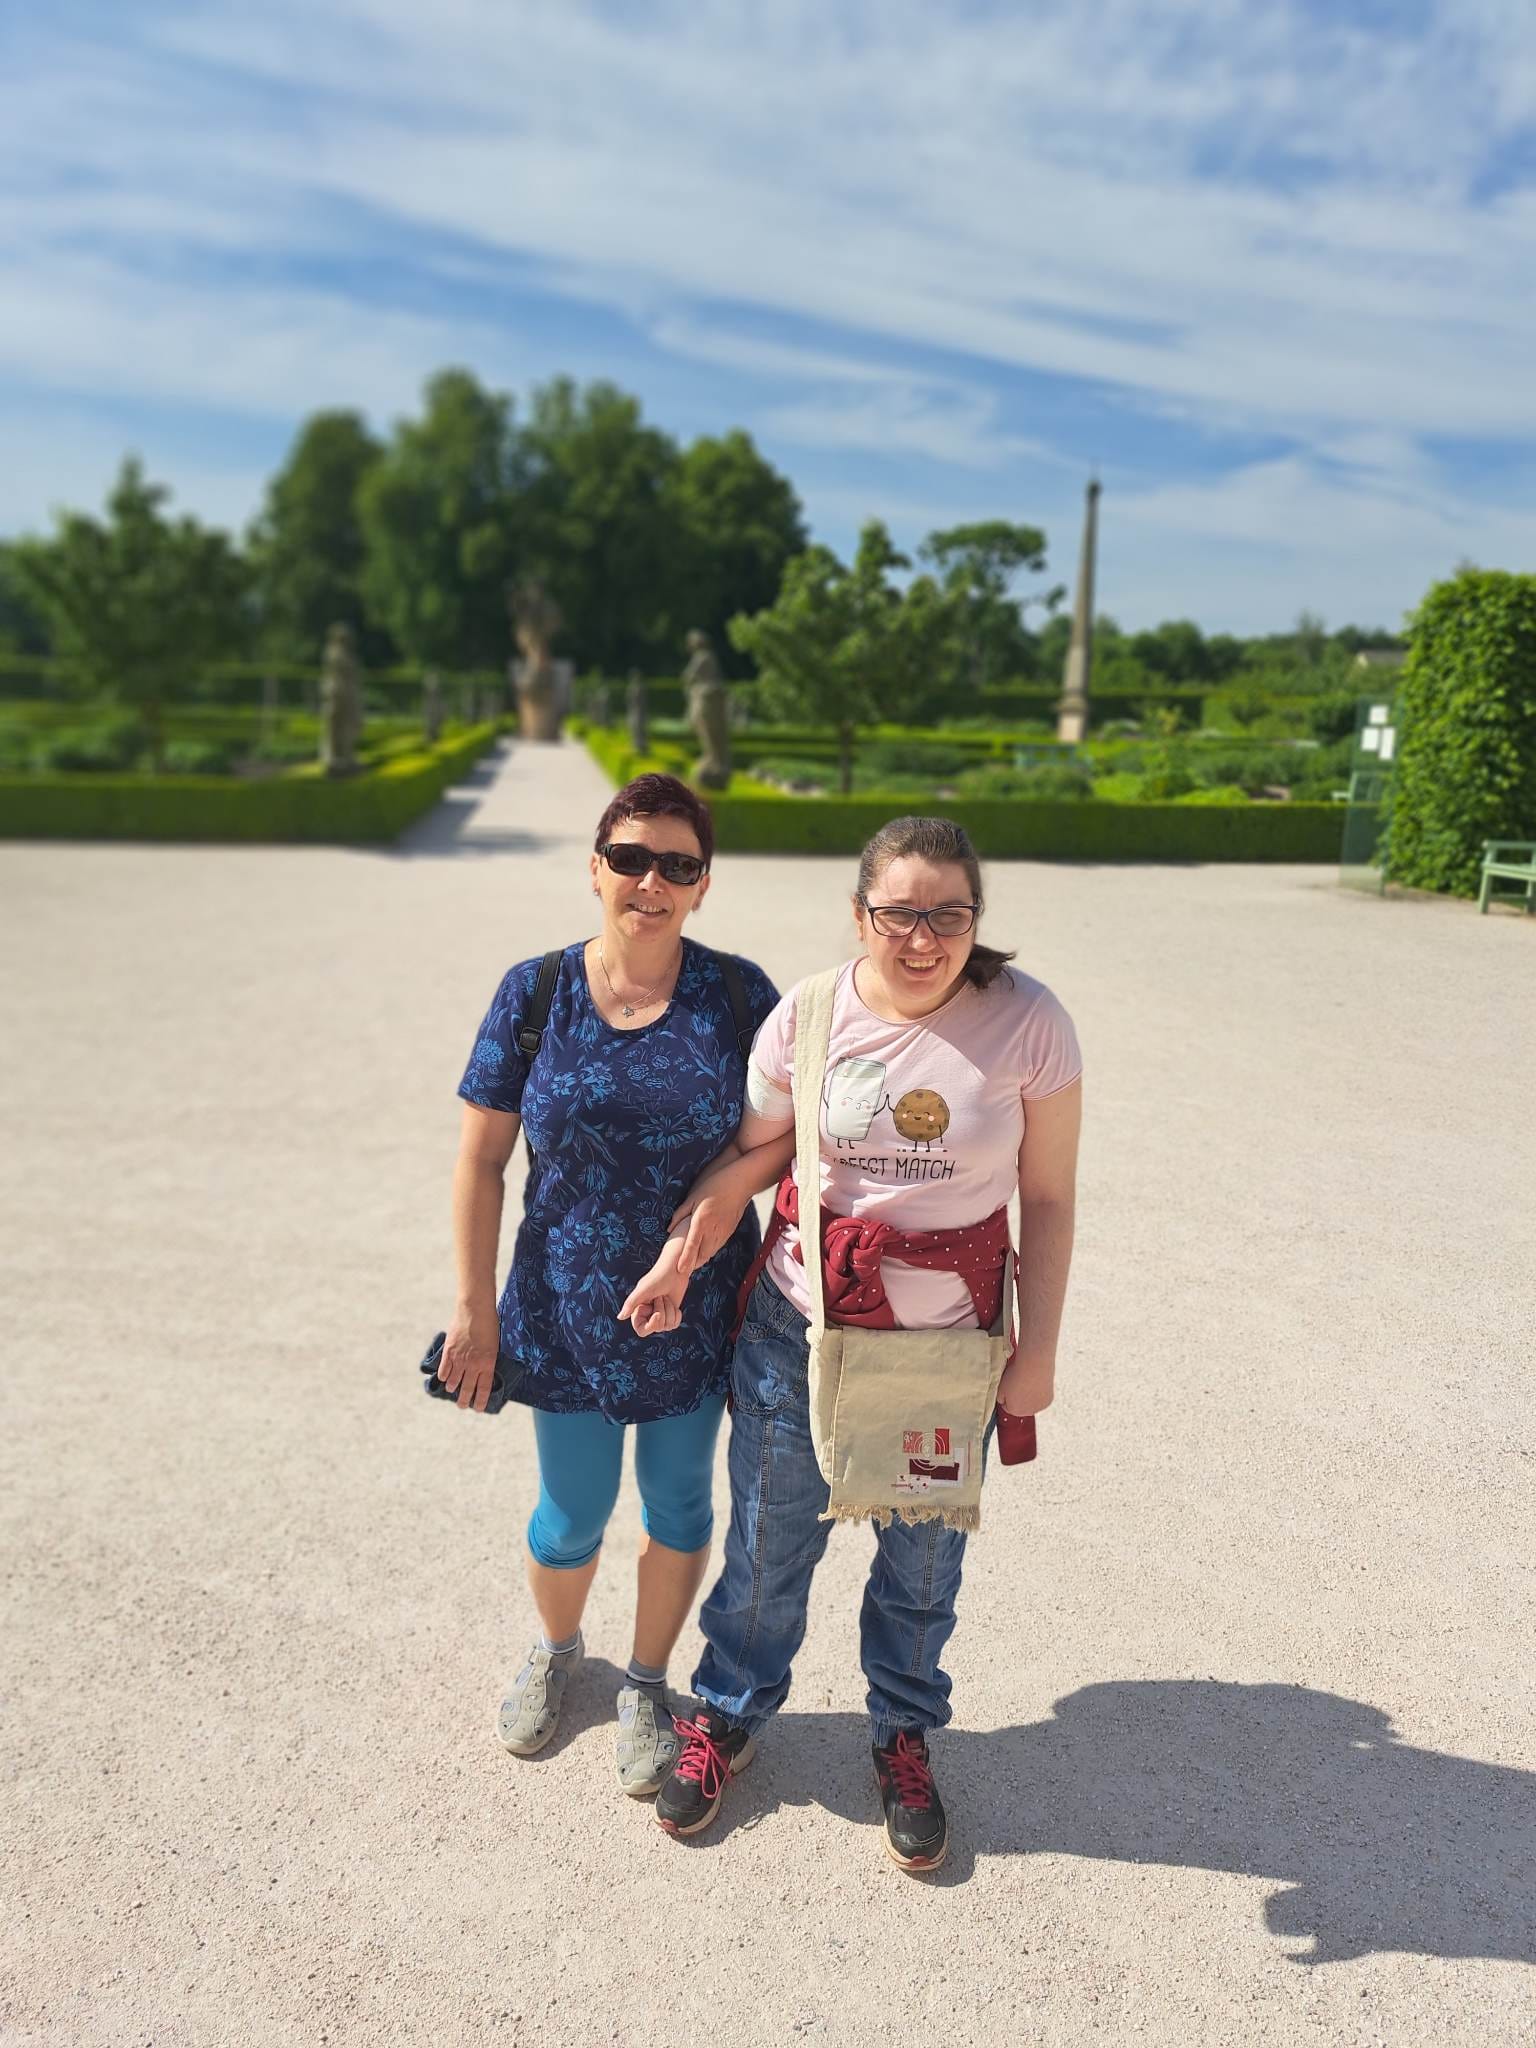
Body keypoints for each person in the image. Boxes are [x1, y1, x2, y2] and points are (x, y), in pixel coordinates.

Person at [618, 815, 1082, 1871]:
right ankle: (730, 1708)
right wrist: (682, 1251)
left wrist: (1039, 1353)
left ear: (977, 917)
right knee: (769, 1541)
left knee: (923, 1557)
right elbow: (756, 1155)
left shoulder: (1030, 1021)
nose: (923, 938)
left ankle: (902, 1732)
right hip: (803, 1329)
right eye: (898, 913)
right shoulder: (809, 1015)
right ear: (860, 912)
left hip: (947, 1351)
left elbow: (1050, 1198)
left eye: (949, 914)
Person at [438, 773, 781, 1796]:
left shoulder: (738, 997)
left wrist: (720, 1202)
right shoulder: (535, 990)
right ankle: (558, 1649)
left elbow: (787, 1136)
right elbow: (480, 1162)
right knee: (570, 1513)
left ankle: (645, 1681)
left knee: (678, 1503)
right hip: (562, 1301)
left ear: (704, 883)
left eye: (678, 864)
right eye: (630, 858)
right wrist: (474, 1309)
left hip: (695, 1301)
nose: (651, 881)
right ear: (595, 869)